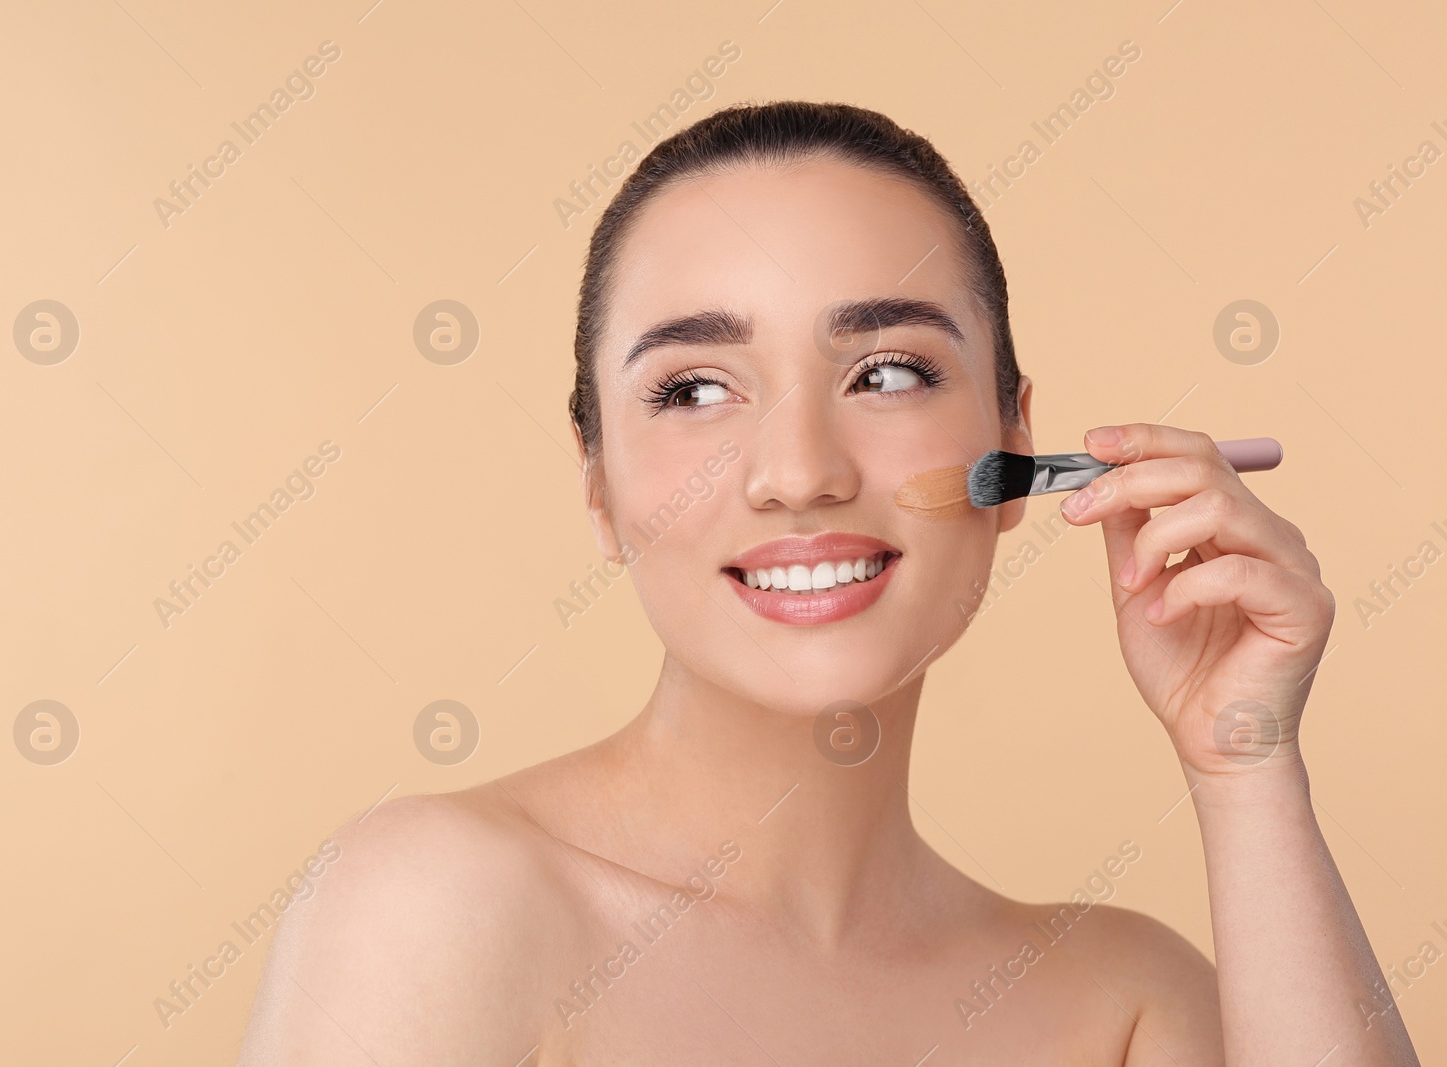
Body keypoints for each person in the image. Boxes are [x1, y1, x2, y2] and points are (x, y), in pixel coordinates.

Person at [237, 101, 1419, 1065]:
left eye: (889, 371)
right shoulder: (438, 906)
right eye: (695, 390)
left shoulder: (1123, 1002)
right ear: (595, 484)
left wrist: (1246, 765)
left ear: (1012, 446)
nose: (799, 472)